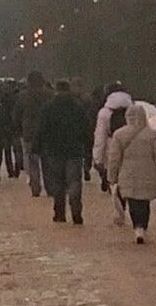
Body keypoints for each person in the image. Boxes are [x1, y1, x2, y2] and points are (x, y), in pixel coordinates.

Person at [106, 101, 156, 244]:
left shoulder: (119, 135)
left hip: (127, 175)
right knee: (144, 203)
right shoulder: (152, 135)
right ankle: (142, 227)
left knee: (133, 202)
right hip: (148, 175)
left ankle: (137, 228)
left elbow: (114, 159)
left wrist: (111, 177)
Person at [35, 78, 90, 224]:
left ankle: (59, 213)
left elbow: (42, 129)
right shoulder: (78, 107)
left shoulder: (48, 107)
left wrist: (38, 146)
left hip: (54, 150)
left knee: (58, 182)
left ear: (56, 90)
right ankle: (76, 212)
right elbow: (86, 129)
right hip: (74, 150)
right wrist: (87, 148)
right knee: (74, 181)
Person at [94, 83, 133, 220]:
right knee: (127, 177)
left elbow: (100, 136)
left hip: (112, 148)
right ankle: (127, 199)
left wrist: (97, 158)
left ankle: (118, 203)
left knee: (114, 178)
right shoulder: (134, 109)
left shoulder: (104, 112)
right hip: (130, 148)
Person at [17, 70, 50, 196]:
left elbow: (17, 114)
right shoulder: (49, 95)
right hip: (46, 132)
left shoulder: (23, 96)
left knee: (32, 161)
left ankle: (35, 187)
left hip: (29, 132)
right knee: (47, 161)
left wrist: (19, 129)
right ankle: (49, 186)